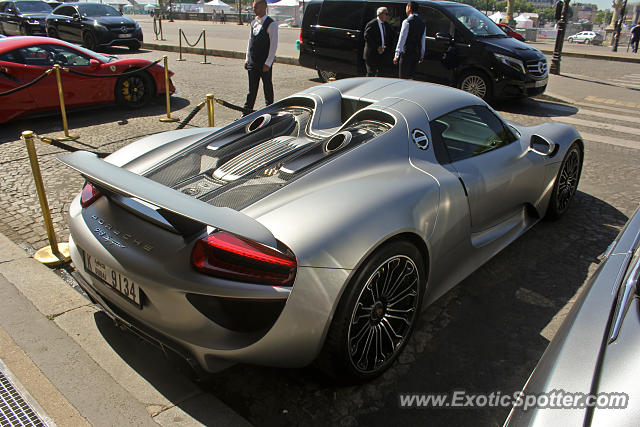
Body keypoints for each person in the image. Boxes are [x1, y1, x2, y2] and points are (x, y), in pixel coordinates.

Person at [243, 0, 278, 115]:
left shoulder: (271, 24)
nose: (254, 9)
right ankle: (246, 112)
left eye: (256, 7)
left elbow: (273, 45)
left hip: (264, 63)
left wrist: (268, 62)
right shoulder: (254, 23)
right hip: (253, 61)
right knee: (251, 89)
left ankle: (271, 110)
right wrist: (247, 58)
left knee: (267, 87)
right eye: (253, 7)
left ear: (264, 7)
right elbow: (250, 41)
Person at [393, 1, 426, 80]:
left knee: (403, 78)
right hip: (416, 53)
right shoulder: (422, 23)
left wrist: (396, 55)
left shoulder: (407, 22)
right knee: (412, 78)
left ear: (409, 8)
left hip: (406, 53)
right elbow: (422, 41)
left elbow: (402, 39)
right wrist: (421, 55)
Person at [363, 7, 392, 77]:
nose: (387, 16)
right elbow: (367, 36)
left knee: (380, 73)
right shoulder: (372, 24)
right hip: (372, 54)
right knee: (371, 73)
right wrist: (377, 47)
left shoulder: (386, 25)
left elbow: (391, 36)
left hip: (381, 54)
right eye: (386, 14)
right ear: (380, 14)